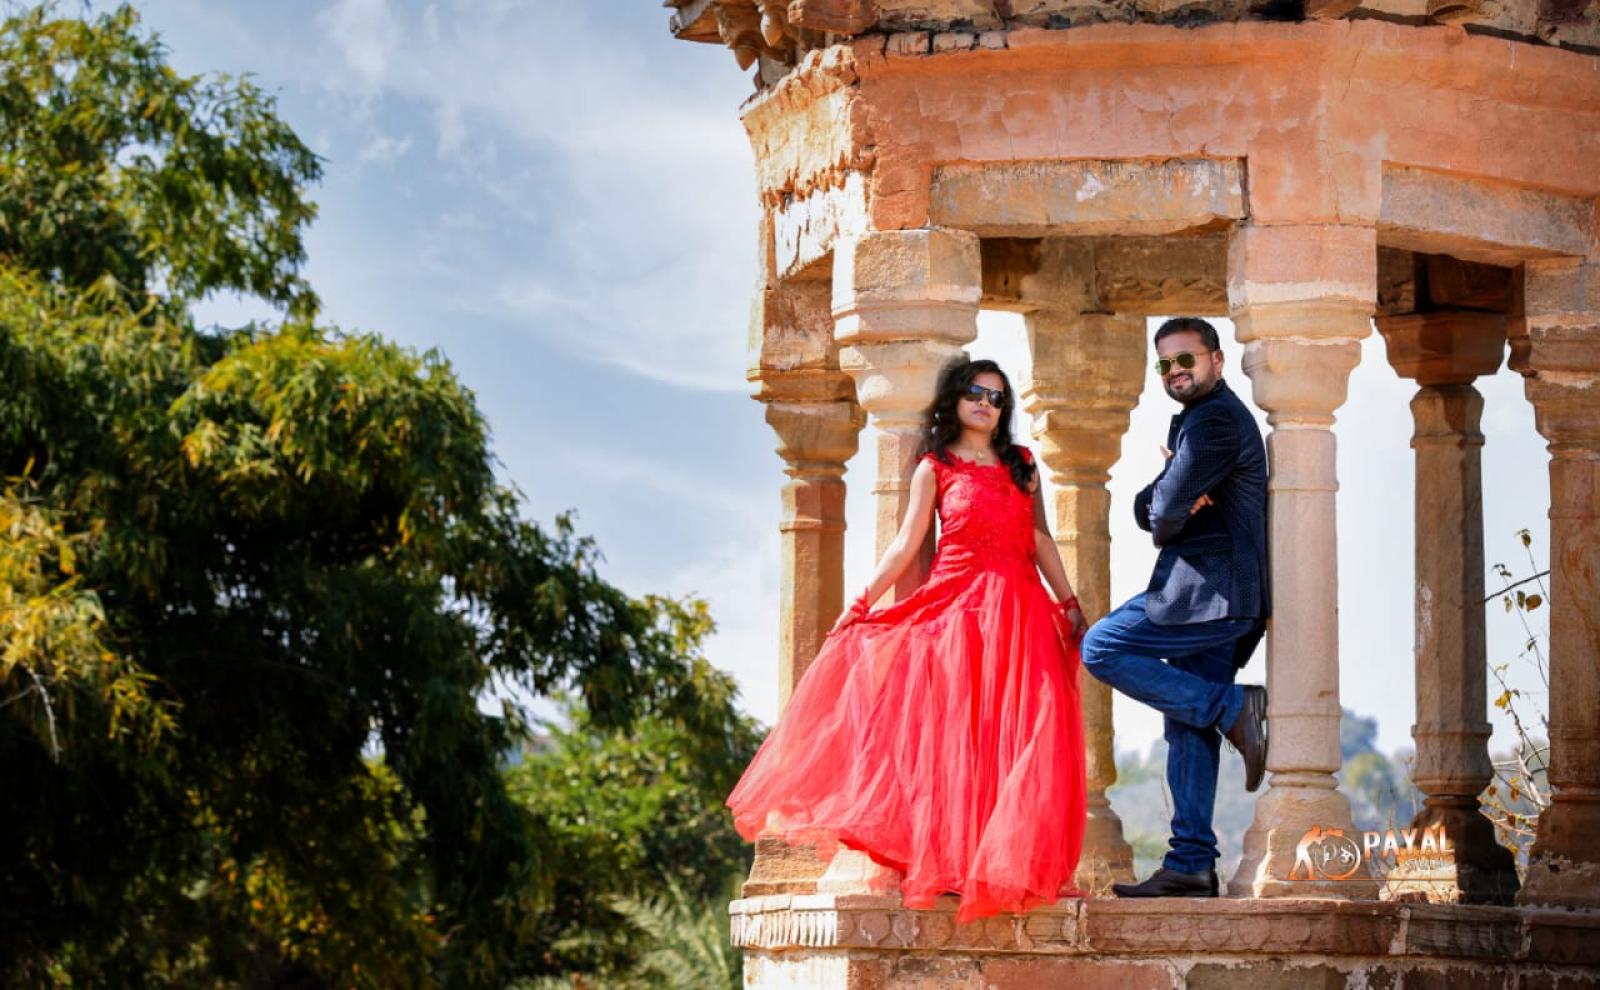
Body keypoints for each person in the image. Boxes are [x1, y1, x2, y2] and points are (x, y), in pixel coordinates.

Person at [726, 358, 1089, 922]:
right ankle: (955, 866)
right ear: (955, 398)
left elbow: (1041, 537)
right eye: (975, 392)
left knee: (1023, 733)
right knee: (957, 736)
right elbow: (905, 545)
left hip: (1021, 611)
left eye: (996, 397)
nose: (985, 404)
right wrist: (861, 603)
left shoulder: (1022, 463)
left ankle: (1006, 865)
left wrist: (1069, 603)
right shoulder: (935, 467)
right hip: (958, 610)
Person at [1080, 316, 1270, 899]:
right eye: (1164, 363)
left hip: (1208, 595)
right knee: (1188, 726)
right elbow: (1150, 505)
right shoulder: (1196, 422)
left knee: (1101, 646)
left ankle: (1232, 707)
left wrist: (1171, 503)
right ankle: (1190, 863)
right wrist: (1171, 492)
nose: (1175, 371)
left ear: (1216, 359)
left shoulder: (1213, 421)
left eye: (1186, 359)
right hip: (1214, 597)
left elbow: (1161, 517)